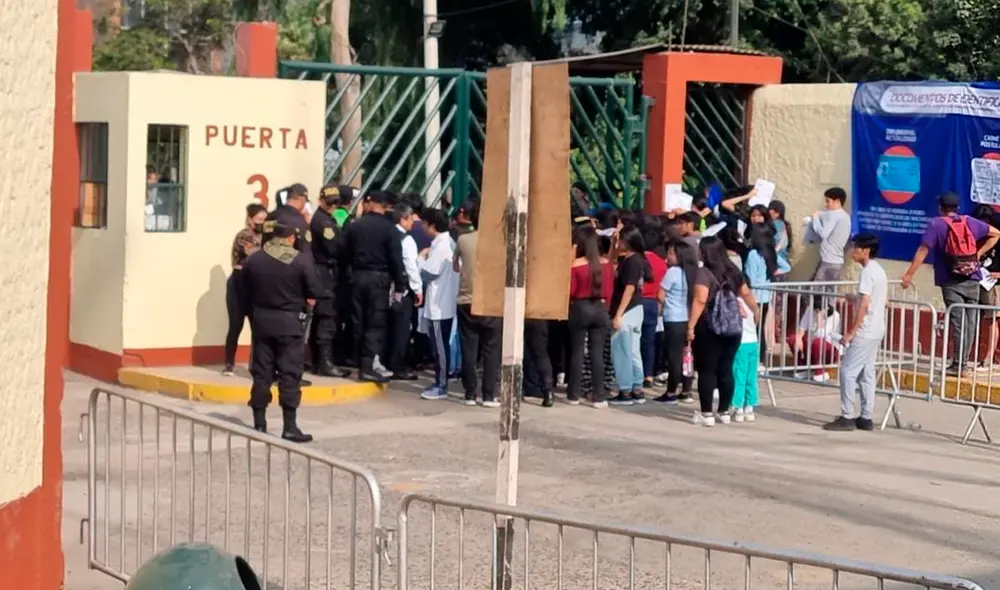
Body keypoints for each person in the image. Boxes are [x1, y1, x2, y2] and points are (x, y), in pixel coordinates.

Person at [902, 191, 1000, 372]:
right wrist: (977, 254)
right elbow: (996, 234)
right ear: (957, 208)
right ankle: (963, 363)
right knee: (970, 321)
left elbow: (923, 249)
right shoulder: (969, 221)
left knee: (958, 320)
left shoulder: (936, 224)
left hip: (950, 279)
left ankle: (958, 364)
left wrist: (909, 274)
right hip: (973, 277)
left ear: (941, 208)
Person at [242, 220, 318, 443]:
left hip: (262, 321)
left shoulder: (254, 259)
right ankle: (289, 426)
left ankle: (259, 423)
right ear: (291, 238)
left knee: (262, 372)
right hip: (290, 323)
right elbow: (313, 290)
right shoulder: (300, 260)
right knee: (290, 374)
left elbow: (244, 291)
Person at [688, 236, 759, 427]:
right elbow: (746, 293)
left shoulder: (704, 273)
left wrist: (691, 325)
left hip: (709, 326)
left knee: (707, 370)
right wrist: (756, 311)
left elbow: (700, 300)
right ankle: (724, 410)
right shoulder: (733, 270)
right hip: (733, 326)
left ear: (704, 252)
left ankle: (706, 413)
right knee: (726, 369)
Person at [340, 190, 407, 383]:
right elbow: (396, 260)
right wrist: (400, 285)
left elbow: (345, 254)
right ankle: (368, 366)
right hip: (379, 280)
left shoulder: (355, 226)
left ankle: (358, 362)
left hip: (357, 278)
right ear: (386, 206)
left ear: (370, 203)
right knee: (375, 322)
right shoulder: (390, 229)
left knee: (358, 321)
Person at [824, 233, 887, 432]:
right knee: (866, 373)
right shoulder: (879, 270)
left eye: (856, 248)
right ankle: (866, 416)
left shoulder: (867, 273)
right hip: (877, 328)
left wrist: (852, 331)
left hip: (866, 330)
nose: (853, 251)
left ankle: (847, 416)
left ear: (866, 251)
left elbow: (865, 306)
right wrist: (856, 298)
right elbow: (877, 300)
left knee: (848, 372)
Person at [453, 203, 502, 407]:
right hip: (491, 300)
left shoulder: (463, 239)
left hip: (467, 300)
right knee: (491, 349)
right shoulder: (499, 241)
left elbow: (455, 265)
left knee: (468, 348)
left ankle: (470, 393)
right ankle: (489, 394)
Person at [567, 225, 614, 408]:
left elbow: (570, 291)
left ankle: (573, 394)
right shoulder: (606, 264)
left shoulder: (576, 265)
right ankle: (599, 396)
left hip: (580, 307)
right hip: (601, 307)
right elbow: (609, 291)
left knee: (577, 352)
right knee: (597, 353)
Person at [307, 184, 351, 378]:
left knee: (322, 318)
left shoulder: (326, 219)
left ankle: (317, 361)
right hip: (325, 274)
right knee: (327, 318)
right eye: (330, 202)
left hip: (325, 272)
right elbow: (335, 249)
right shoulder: (323, 223)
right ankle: (324, 363)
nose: (334, 206)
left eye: (336, 203)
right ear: (321, 200)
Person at [418, 208, 460, 400]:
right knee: (439, 346)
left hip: (440, 305)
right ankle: (439, 381)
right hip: (442, 303)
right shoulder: (445, 243)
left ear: (432, 225)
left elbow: (429, 273)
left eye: (425, 224)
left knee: (440, 347)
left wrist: (419, 259)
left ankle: (441, 385)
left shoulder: (442, 246)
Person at [223, 203, 267, 376]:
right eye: (258, 220)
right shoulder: (244, 236)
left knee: (258, 327)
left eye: (264, 220)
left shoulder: (266, 236)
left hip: (255, 286)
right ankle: (229, 363)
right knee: (236, 325)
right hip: (238, 286)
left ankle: (256, 365)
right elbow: (255, 255)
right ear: (250, 219)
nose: (261, 223)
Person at [608, 226, 648, 406]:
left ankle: (625, 389)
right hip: (636, 309)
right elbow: (611, 263)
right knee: (633, 350)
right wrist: (613, 246)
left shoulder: (632, 262)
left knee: (622, 350)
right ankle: (636, 387)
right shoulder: (637, 259)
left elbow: (629, 288)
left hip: (626, 309)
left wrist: (618, 314)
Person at [655, 239, 697, 404]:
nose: (668, 256)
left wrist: (667, 304)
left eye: (672, 253)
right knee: (687, 356)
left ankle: (671, 391)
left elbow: (660, 295)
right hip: (688, 319)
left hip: (673, 318)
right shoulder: (693, 272)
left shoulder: (673, 272)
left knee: (673, 357)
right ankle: (686, 390)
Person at [743, 223, 790, 363]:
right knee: (759, 329)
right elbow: (787, 267)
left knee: (752, 330)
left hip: (753, 297)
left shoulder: (753, 254)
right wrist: (774, 272)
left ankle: (755, 359)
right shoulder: (771, 253)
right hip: (765, 297)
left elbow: (750, 276)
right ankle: (760, 359)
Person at [386, 203, 422, 381]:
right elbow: (411, 266)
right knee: (401, 329)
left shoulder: (386, 234)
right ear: (403, 218)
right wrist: (418, 289)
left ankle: (385, 361)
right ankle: (398, 365)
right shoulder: (406, 240)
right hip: (402, 290)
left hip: (384, 287)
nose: (413, 223)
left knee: (386, 327)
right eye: (411, 219)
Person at [639, 227, 668, 388]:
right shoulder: (661, 263)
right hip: (653, 303)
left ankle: (634, 373)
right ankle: (648, 374)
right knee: (649, 341)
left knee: (634, 340)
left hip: (637, 301)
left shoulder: (638, 260)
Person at [804, 187, 852, 281]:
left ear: (837, 201)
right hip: (837, 262)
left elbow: (823, 233)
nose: (825, 205)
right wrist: (818, 214)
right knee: (830, 293)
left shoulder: (833, 215)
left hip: (828, 262)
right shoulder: (845, 216)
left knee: (815, 293)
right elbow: (824, 214)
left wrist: (815, 218)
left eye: (828, 201)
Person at [789, 300, 842, 382]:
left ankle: (819, 372)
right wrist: (799, 338)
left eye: (819, 310)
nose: (816, 311)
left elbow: (820, 334)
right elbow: (802, 327)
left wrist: (819, 317)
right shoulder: (810, 310)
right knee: (793, 339)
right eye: (815, 310)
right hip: (811, 348)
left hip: (829, 352)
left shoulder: (835, 316)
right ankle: (804, 368)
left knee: (818, 342)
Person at [973, 205, 1000, 368]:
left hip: (993, 283)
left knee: (992, 319)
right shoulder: (976, 236)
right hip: (977, 279)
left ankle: (989, 356)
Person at [731, 297, 759, 423]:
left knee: (739, 375)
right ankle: (750, 407)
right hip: (753, 341)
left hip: (741, 342)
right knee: (751, 376)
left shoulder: (737, 300)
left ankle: (738, 407)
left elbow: (743, 314)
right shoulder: (753, 300)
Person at [769, 200, 792, 266]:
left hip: (776, 262)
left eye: (775, 212)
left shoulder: (777, 224)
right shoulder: (781, 224)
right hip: (780, 261)